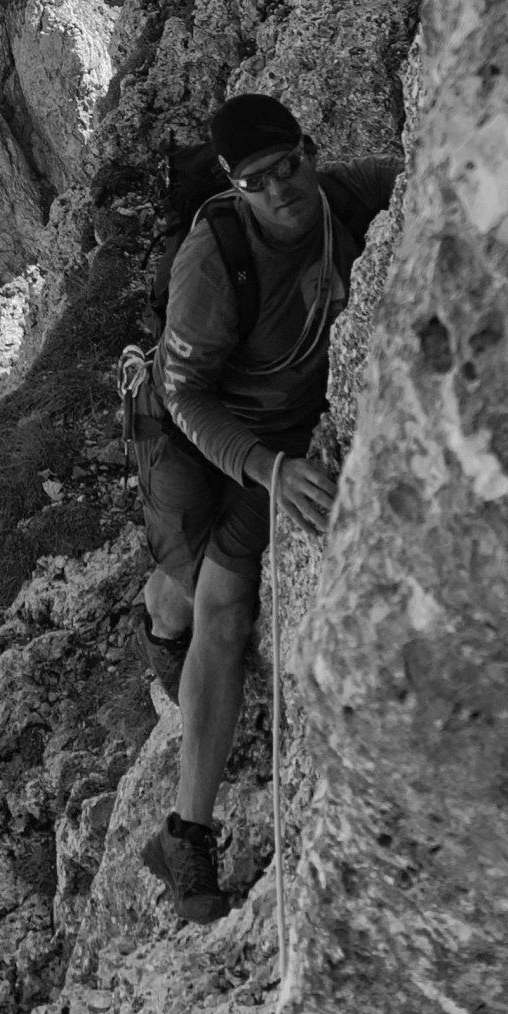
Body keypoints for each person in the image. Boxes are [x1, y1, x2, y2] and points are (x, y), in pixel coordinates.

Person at [121, 91, 400, 923]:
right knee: (213, 598)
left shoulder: (345, 198)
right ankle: (187, 837)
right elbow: (185, 396)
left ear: (308, 151)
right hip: (209, 435)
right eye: (256, 181)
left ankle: (167, 640)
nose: (280, 190)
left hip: (275, 435)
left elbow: (440, 181)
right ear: (232, 186)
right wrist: (270, 469)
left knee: (201, 586)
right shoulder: (212, 262)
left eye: (287, 168)